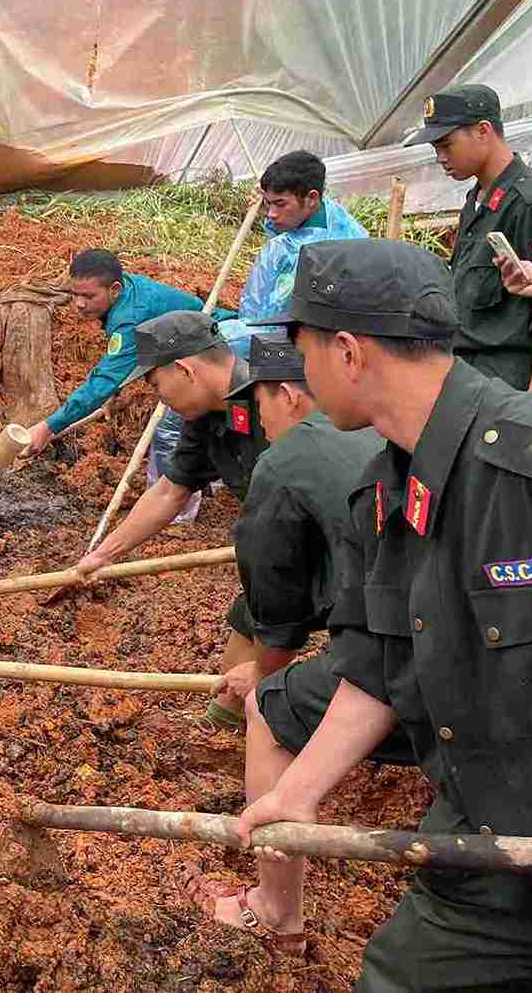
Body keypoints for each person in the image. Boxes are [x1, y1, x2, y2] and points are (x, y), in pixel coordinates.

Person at [237, 237, 532, 991]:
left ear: (347, 352)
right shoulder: (384, 498)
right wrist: (299, 791)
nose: (296, 376)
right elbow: (381, 664)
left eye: (301, 349)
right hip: (495, 848)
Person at [177, 336, 407, 956]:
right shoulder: (382, 427)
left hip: (404, 650)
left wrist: (262, 675)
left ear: (285, 395)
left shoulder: (283, 463)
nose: (259, 421)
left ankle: (274, 910)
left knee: (272, 711)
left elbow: (274, 618)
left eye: (260, 403)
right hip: (459, 630)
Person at [76, 310, 270, 728]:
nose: (158, 397)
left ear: (184, 369)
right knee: (256, 608)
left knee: (280, 615)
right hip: (276, 547)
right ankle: (222, 723)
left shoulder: (278, 395)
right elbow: (169, 490)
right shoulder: (205, 415)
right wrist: (104, 554)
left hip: (330, 535)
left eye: (156, 384)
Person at [24, 250, 233, 521]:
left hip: (224, 344)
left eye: (88, 296)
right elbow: (121, 366)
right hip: (208, 344)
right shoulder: (126, 292)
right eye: (75, 294)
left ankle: (173, 516)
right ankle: (213, 480)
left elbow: (104, 381)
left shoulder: (129, 320)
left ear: (115, 289)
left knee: (171, 426)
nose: (78, 304)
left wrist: (48, 426)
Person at [406, 84, 532, 395]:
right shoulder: (477, 202)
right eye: (436, 148)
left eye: (447, 145)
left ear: (483, 131)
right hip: (471, 382)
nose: (440, 158)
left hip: (511, 390)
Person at [240, 150, 367, 332]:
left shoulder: (333, 250)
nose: (271, 214)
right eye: (269, 203)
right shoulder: (319, 214)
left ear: (312, 198)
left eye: (280, 204)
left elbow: (276, 325)